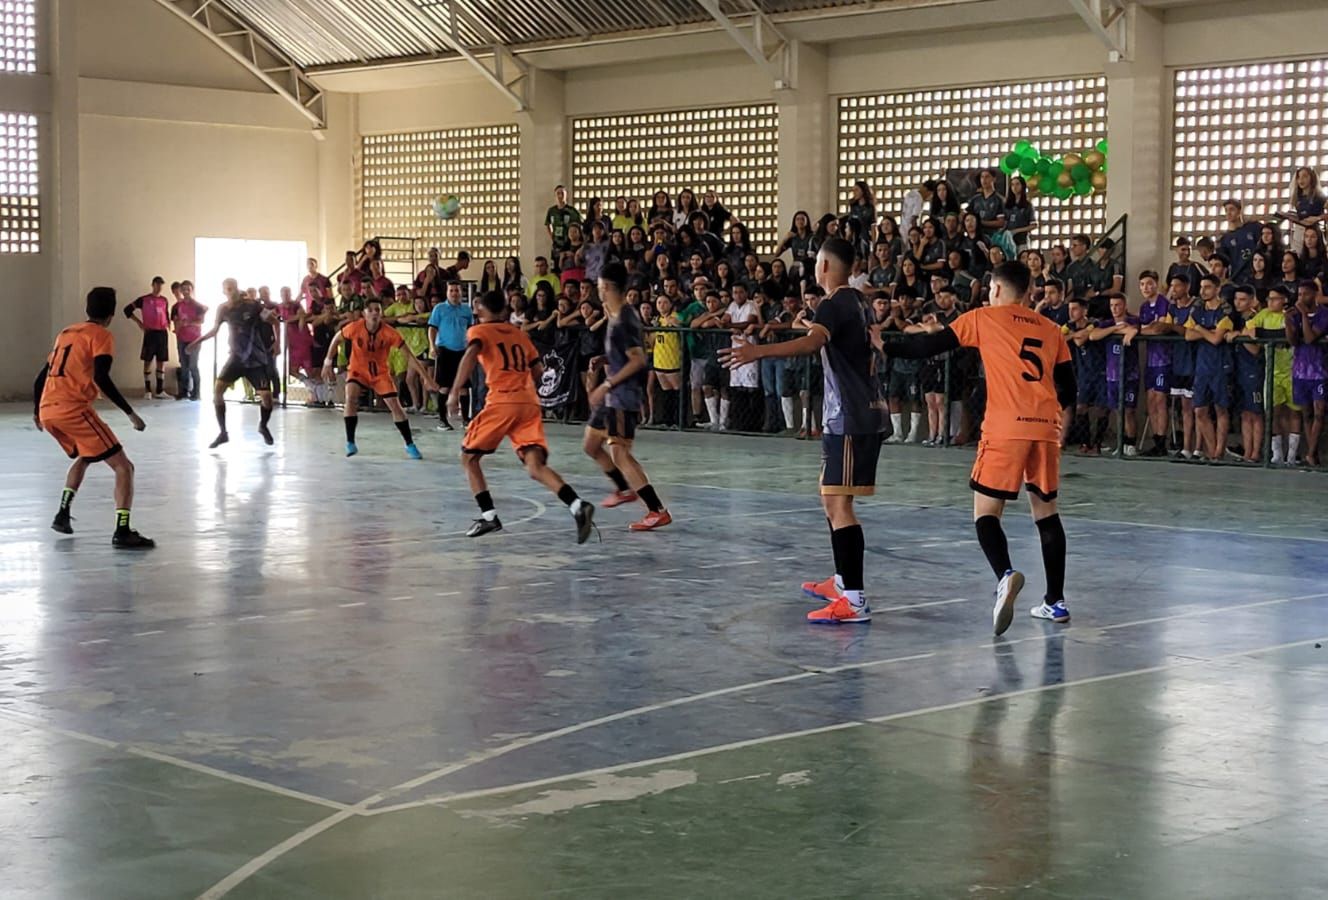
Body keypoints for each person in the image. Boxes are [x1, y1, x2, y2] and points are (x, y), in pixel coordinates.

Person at [882, 260, 1076, 633]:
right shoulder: (1053, 330)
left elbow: (930, 345)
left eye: (990, 289)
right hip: (1046, 427)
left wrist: (885, 347)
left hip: (1005, 427)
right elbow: (1069, 390)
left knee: (986, 514)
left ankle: (1005, 575)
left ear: (998, 290)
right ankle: (1056, 601)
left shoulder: (984, 318)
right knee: (1047, 515)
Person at [721, 237, 886, 625]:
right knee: (831, 499)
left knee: (840, 505)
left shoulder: (834, 302)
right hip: (854, 413)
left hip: (850, 416)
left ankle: (855, 600)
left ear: (824, 267)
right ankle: (843, 581)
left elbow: (814, 343)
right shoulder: (859, 300)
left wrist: (757, 351)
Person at [450, 291, 597, 542]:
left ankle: (488, 518)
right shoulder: (519, 334)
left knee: (469, 458)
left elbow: (471, 355)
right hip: (529, 403)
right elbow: (538, 371)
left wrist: (454, 392)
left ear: (482, 311)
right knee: (535, 466)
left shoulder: (479, 331)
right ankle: (576, 505)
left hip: (502, 401)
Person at [33, 287, 153, 548]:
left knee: (87, 455)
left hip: (48, 409)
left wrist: (36, 411)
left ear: (87, 309)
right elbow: (101, 377)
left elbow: (42, 374)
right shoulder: (101, 335)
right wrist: (131, 414)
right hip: (73, 409)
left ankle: (62, 514)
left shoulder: (65, 333)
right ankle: (122, 531)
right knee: (124, 466)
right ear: (111, 314)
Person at [580, 262, 672, 530]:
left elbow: (637, 359)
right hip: (612, 396)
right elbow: (622, 356)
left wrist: (606, 384)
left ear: (606, 287)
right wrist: (603, 359)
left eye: (598, 287)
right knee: (591, 445)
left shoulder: (625, 321)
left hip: (622, 396)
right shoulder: (615, 315)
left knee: (619, 453)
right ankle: (623, 488)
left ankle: (656, 510)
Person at [321, 298, 437, 459]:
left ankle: (410, 444)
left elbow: (409, 356)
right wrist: (327, 362)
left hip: (380, 374)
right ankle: (350, 442)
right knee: (351, 397)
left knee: (395, 407)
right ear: (364, 314)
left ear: (381, 313)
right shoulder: (355, 327)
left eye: (378, 310)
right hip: (358, 371)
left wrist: (426, 378)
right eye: (371, 310)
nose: (375, 313)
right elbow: (336, 339)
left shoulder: (389, 332)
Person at [189, 278, 278, 449]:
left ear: (238, 288)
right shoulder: (223, 309)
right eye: (228, 289)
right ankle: (223, 432)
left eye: (233, 288)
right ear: (224, 291)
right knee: (218, 391)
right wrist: (197, 341)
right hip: (236, 358)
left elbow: (274, 321)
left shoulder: (253, 305)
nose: (231, 292)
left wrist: (278, 342)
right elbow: (215, 329)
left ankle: (263, 425)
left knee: (267, 397)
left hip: (255, 358)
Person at [1185, 274, 1235, 461]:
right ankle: (1212, 449)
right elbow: (1188, 335)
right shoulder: (1197, 310)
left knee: (1221, 408)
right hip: (1202, 366)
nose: (1203, 291)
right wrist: (1207, 331)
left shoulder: (1225, 311)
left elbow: (1216, 340)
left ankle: (1219, 451)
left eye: (1207, 287)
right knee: (1199, 410)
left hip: (1220, 365)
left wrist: (1200, 329)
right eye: (1201, 287)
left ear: (1217, 289)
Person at [1285, 279, 1328, 467]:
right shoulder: (1294, 314)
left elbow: (1310, 338)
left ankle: (1311, 452)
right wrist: (1288, 321)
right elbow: (1294, 341)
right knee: (1306, 414)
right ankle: (1312, 454)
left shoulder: (1324, 314)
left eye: (1306, 294)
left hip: (1320, 370)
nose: (1302, 298)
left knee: (1320, 412)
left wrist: (1303, 315)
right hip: (1300, 371)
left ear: (1315, 295)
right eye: (1299, 294)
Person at [428, 281, 474, 431]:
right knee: (444, 387)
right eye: (451, 290)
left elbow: (470, 329)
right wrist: (432, 346)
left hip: (462, 351)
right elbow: (432, 328)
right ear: (447, 293)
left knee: (464, 387)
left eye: (457, 291)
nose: (454, 293)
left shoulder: (466, 310)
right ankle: (442, 420)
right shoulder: (439, 309)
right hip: (445, 350)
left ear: (461, 293)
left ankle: (466, 419)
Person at [124, 276, 172, 399]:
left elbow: (166, 314)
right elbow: (127, 310)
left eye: (161, 285)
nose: (159, 287)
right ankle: (147, 390)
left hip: (162, 333)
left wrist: (168, 324)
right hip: (150, 333)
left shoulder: (164, 300)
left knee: (161, 361)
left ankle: (160, 390)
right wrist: (139, 323)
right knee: (148, 360)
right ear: (153, 285)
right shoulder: (144, 299)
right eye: (157, 284)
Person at [169, 280, 207, 401]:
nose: (185, 291)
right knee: (184, 366)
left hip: (195, 339)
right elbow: (175, 321)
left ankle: (196, 392)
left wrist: (188, 322)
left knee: (193, 366)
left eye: (188, 289)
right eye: (183, 289)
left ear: (192, 290)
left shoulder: (198, 306)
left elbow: (201, 320)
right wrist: (178, 331)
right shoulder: (176, 307)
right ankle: (183, 391)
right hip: (182, 339)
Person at [546, 185, 582, 262]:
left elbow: (580, 224)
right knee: (555, 266)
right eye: (558, 193)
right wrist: (551, 236)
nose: (560, 195)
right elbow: (547, 224)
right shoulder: (551, 211)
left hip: (568, 243)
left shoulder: (572, 211)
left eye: (562, 193)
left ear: (566, 195)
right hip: (556, 244)